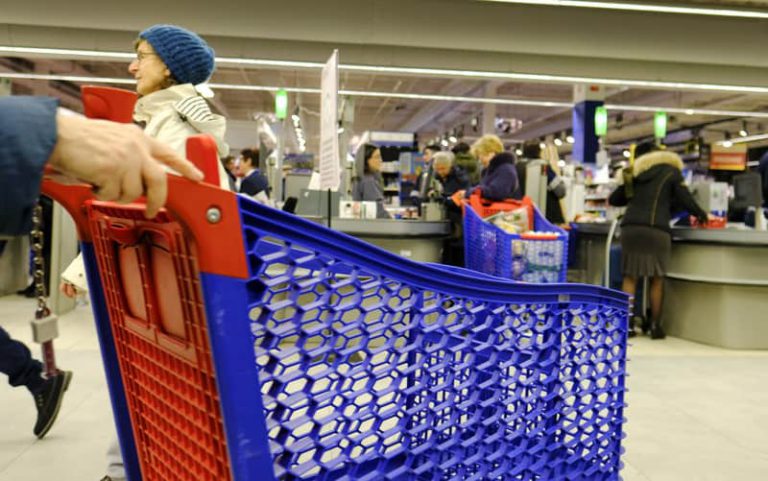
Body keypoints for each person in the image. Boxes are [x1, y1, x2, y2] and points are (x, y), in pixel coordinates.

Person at [0, 96, 202, 440]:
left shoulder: (179, 130)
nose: (133, 69)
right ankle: (34, 377)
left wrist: (40, 133)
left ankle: (35, 377)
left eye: (144, 63)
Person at [609, 147, 709, 339]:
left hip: (631, 228)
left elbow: (615, 199)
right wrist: (702, 214)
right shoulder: (671, 171)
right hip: (656, 229)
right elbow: (685, 198)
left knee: (630, 277)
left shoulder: (636, 173)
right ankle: (655, 326)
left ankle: (627, 326)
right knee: (656, 279)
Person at [432, 151, 470, 266]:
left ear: (450, 166)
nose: (440, 172)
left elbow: (460, 200)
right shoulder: (437, 178)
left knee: (457, 255)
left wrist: (444, 199)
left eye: (443, 169)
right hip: (447, 222)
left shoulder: (461, 179)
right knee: (446, 254)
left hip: (458, 222)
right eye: (438, 169)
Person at [458, 134, 520, 201]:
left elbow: (496, 192)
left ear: (490, 152)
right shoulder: (492, 170)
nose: (480, 160)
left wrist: (471, 192)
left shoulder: (506, 170)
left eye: (481, 155)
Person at [352, 143, 391, 219]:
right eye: (377, 157)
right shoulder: (368, 181)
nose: (381, 160)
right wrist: (392, 220)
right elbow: (378, 210)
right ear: (366, 160)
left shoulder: (360, 178)